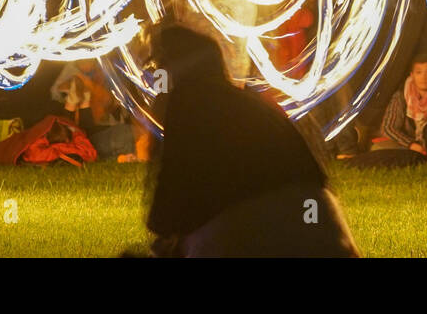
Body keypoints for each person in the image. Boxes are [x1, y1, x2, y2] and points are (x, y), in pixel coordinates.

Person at [144, 22, 357, 257]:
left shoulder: (188, 103)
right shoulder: (254, 102)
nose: (152, 76)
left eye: (157, 66)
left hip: (256, 234)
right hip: (327, 232)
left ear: (174, 70)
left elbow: (166, 206)